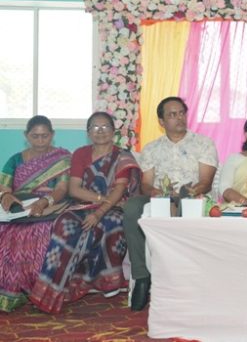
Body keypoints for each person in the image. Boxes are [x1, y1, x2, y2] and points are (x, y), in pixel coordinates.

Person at [28, 112, 141, 314]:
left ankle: (101, 281)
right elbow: (74, 189)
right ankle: (51, 290)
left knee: (109, 224)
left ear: (113, 131)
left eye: (105, 127)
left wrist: (99, 213)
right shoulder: (81, 153)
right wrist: (99, 200)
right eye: (95, 127)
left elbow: (119, 190)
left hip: (113, 208)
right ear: (88, 133)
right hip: (83, 205)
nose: (100, 131)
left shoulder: (122, 157)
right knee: (65, 224)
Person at [123, 96, 218, 311]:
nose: (179, 118)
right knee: (132, 208)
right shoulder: (151, 148)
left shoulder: (203, 143)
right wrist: (159, 194)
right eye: (172, 114)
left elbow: (205, 182)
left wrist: (186, 194)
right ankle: (142, 276)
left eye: (182, 113)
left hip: (192, 195)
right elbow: (146, 184)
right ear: (161, 121)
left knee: (187, 206)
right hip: (159, 197)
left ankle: (184, 280)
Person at [0, 116, 71, 312]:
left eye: (45, 136)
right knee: (7, 232)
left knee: (37, 231)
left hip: (49, 207)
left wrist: (44, 201)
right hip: (18, 209)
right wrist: (6, 195)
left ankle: (39, 292)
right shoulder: (15, 160)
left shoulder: (62, 159)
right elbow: (4, 186)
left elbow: (62, 189)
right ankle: (10, 292)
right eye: (35, 136)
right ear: (26, 136)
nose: (40, 141)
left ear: (52, 135)